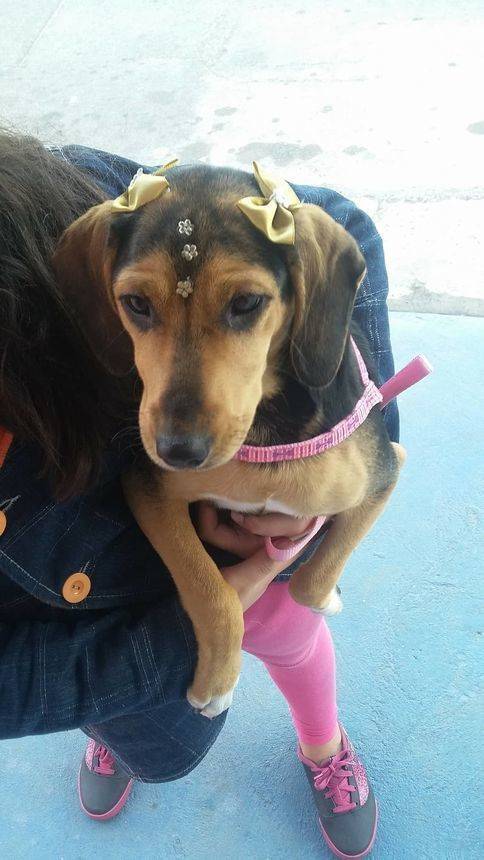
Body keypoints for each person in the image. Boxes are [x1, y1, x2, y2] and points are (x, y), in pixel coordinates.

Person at [0, 134, 398, 859]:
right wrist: (203, 624)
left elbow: (381, 465)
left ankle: (322, 744)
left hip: (266, 549)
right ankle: (116, 728)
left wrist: (314, 571)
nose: (178, 423)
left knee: (294, 636)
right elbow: (149, 484)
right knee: (120, 714)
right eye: (138, 307)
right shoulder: (102, 262)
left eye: (242, 304)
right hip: (101, 608)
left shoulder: (66, 207)